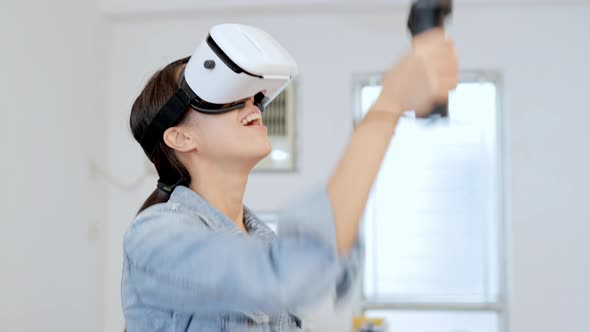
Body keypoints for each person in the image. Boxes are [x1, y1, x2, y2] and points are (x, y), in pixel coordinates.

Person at [122, 27, 458, 331]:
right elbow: (282, 276)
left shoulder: (263, 242)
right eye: (225, 93)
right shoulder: (154, 238)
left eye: (253, 95)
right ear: (180, 138)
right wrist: (390, 101)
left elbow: (311, 267)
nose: (251, 103)